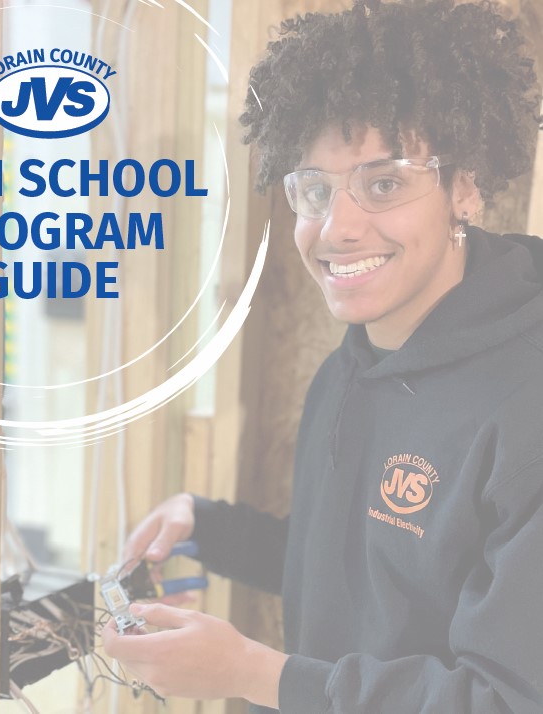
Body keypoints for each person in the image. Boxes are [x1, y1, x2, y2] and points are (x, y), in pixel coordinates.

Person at [102, 1, 543, 711]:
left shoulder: (527, 407)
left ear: (465, 187)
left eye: (385, 183)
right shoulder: (351, 368)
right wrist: (208, 526)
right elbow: (359, 576)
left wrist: (257, 676)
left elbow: (508, 699)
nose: (337, 228)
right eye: (314, 190)